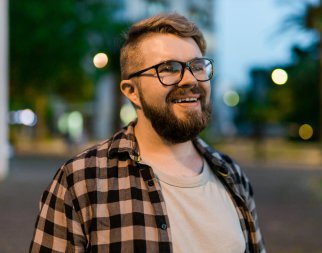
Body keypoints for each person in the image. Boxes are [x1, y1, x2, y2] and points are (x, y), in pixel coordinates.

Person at [30, 13, 266, 253]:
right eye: (169, 68)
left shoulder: (232, 175)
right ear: (132, 91)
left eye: (197, 66)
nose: (190, 79)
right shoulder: (81, 181)